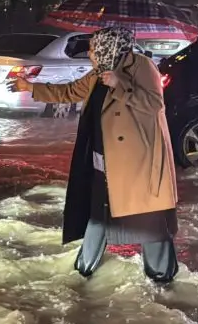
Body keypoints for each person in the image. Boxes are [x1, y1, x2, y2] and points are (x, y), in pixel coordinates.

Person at [9, 26, 179, 284]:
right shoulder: (99, 72)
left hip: (137, 163)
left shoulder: (142, 66)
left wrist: (120, 84)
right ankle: (83, 272)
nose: (89, 52)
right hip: (103, 158)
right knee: (98, 215)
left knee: (148, 220)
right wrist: (30, 87)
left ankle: (162, 279)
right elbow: (70, 91)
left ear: (108, 48)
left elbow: (154, 104)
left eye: (92, 48)